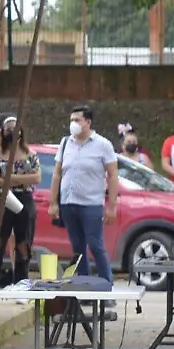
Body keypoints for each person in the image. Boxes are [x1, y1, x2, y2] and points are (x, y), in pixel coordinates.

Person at [48, 106, 118, 284]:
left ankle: (106, 283)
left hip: (91, 204)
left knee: (95, 245)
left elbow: (113, 175)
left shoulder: (103, 145)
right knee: (77, 248)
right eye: (71, 120)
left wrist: (112, 206)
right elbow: (57, 173)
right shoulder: (66, 143)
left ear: (88, 122)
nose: (73, 124)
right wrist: (53, 202)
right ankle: (84, 284)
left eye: (77, 120)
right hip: (68, 203)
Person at [0, 117, 41, 289]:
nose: (12, 132)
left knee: (23, 242)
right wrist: (21, 179)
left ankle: (21, 281)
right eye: (8, 129)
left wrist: (10, 178)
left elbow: (36, 177)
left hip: (25, 199)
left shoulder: (30, 154)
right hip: (3, 199)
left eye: (15, 128)